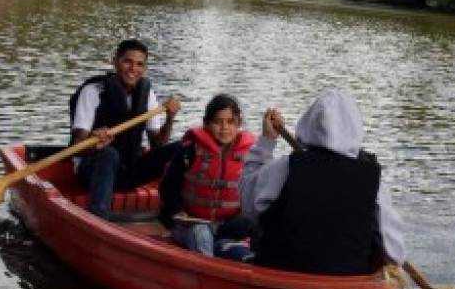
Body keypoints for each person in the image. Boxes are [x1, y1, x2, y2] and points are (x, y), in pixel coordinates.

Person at [239, 89, 406, 275]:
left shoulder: (285, 167)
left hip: (280, 275)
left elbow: (247, 206)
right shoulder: (374, 181)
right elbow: (395, 254)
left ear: (308, 124)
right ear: (355, 129)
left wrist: (266, 141)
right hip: (345, 283)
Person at [71, 39, 181, 220]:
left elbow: (157, 145)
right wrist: (93, 141)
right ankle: (98, 219)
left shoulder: (148, 94)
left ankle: (175, 214)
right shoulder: (93, 91)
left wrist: (170, 119)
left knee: (182, 147)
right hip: (91, 173)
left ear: (145, 68)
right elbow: (78, 144)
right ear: (115, 61)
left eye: (139, 64)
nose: (133, 69)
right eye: (127, 61)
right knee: (109, 154)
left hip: (127, 172)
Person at [158, 94, 258, 261]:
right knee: (201, 232)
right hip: (189, 223)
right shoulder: (189, 150)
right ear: (206, 124)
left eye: (230, 122)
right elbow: (168, 185)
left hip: (225, 225)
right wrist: (178, 211)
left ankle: (248, 260)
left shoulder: (250, 154)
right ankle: (209, 268)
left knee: (256, 225)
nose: (225, 128)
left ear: (239, 124)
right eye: (218, 122)